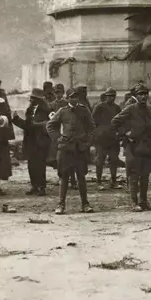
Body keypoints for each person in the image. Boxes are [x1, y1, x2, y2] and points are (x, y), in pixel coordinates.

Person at [111, 83, 151, 212]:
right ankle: (134, 203)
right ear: (136, 96)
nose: (143, 97)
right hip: (133, 146)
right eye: (140, 94)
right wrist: (126, 132)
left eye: (145, 94)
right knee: (134, 175)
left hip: (147, 145)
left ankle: (144, 202)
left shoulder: (150, 109)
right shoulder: (130, 108)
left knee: (145, 174)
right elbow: (115, 121)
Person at [46, 87, 96, 215]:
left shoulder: (84, 110)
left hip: (80, 149)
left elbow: (92, 127)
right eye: (71, 97)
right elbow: (50, 125)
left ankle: (85, 204)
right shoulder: (62, 111)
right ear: (67, 99)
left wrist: (87, 142)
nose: (74, 99)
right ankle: (61, 204)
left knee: (81, 177)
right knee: (64, 176)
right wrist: (58, 139)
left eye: (76, 97)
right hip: (65, 149)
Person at [12, 88, 51, 196]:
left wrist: (35, 125)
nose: (31, 99)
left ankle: (42, 187)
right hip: (31, 141)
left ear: (38, 99)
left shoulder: (45, 110)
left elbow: (44, 124)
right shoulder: (29, 110)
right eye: (31, 97)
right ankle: (34, 186)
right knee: (31, 164)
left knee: (40, 165)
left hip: (41, 141)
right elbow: (27, 126)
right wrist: (16, 120)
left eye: (33, 98)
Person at [92, 87, 122, 190]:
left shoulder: (117, 108)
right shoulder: (99, 107)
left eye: (113, 96)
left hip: (113, 138)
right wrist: (96, 135)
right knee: (100, 160)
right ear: (105, 97)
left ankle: (113, 181)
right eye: (109, 96)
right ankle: (98, 182)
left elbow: (120, 122)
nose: (111, 98)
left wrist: (118, 133)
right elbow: (93, 122)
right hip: (101, 139)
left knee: (114, 160)